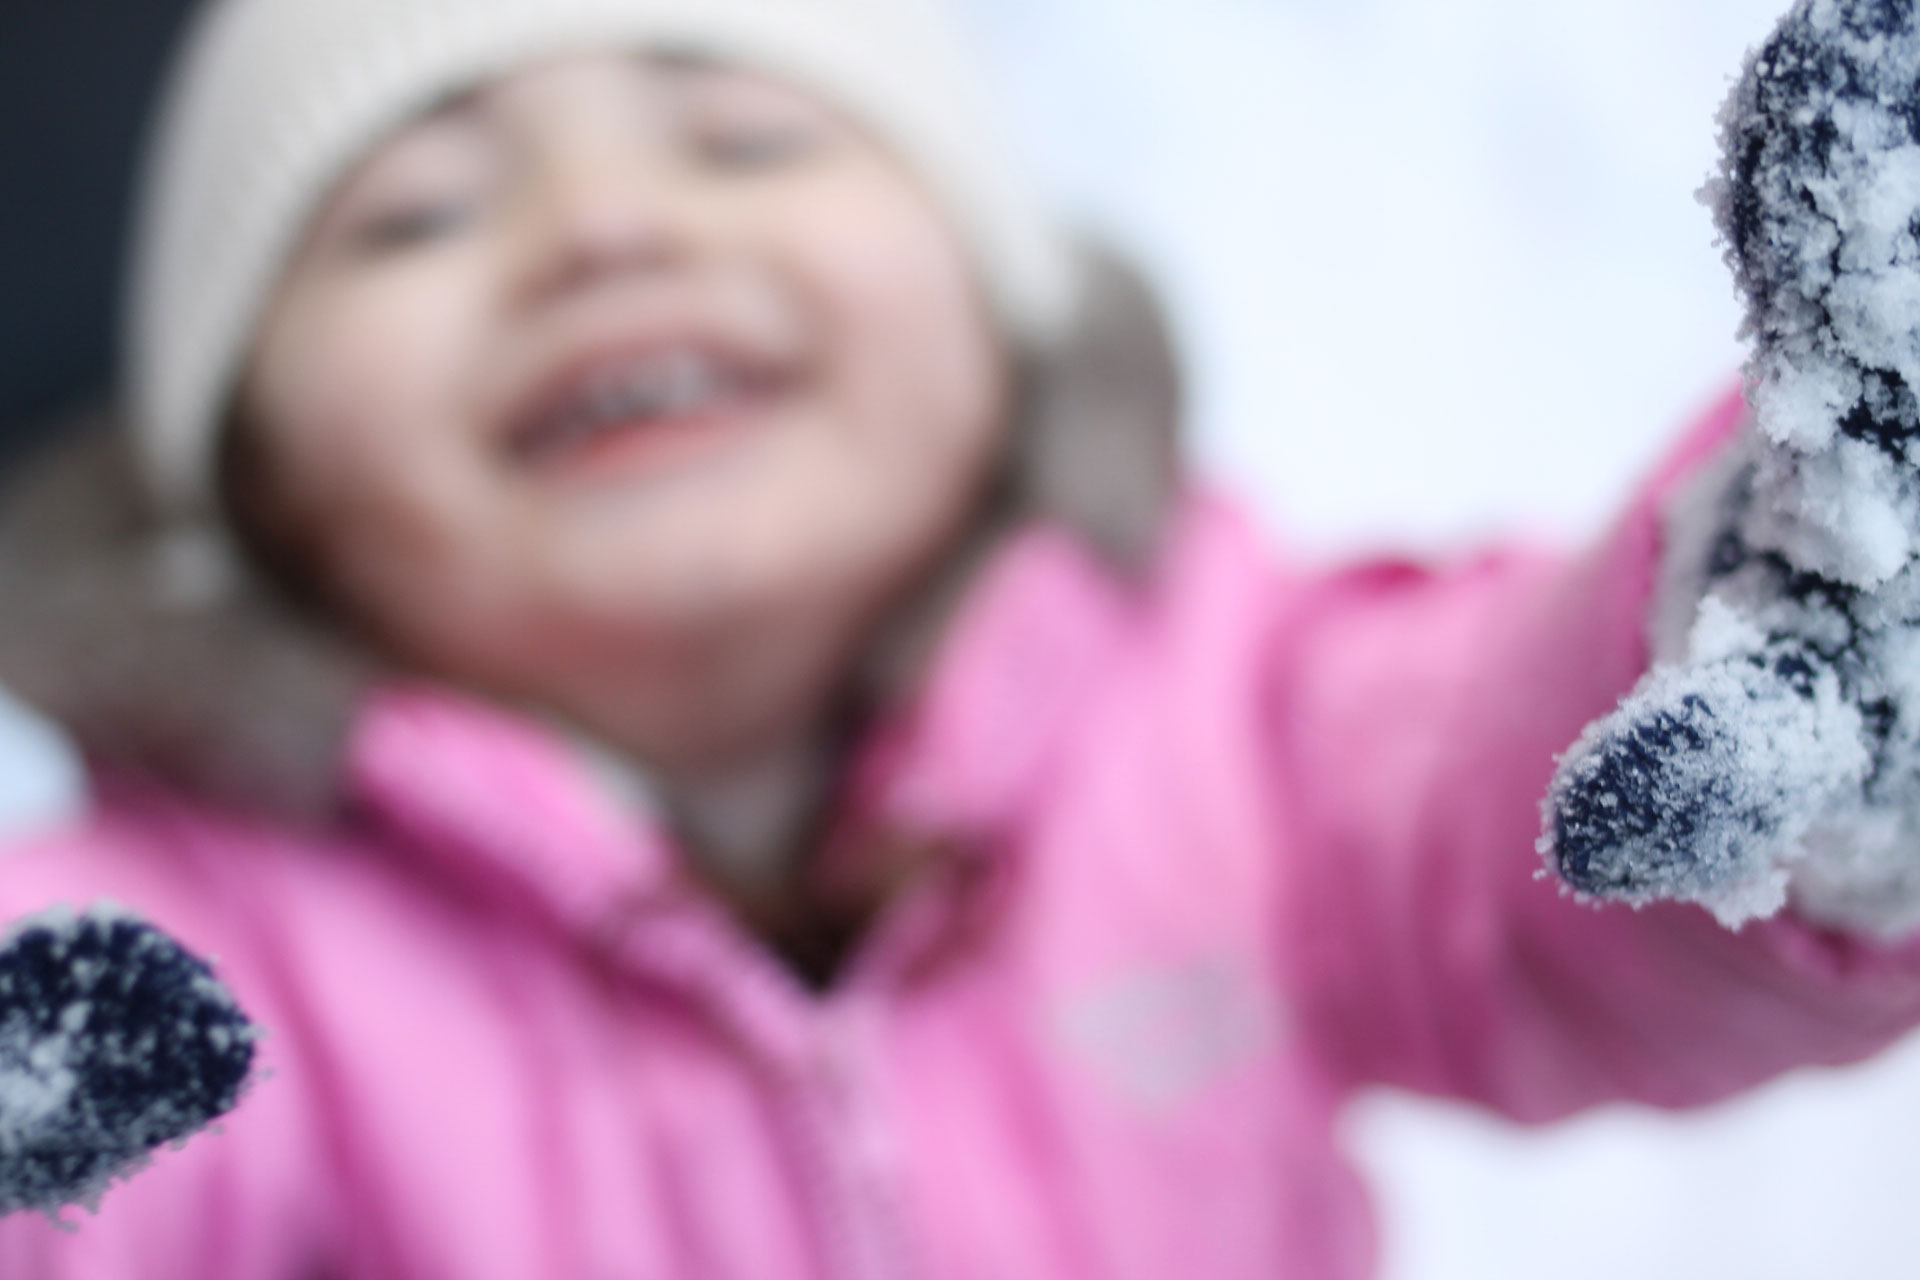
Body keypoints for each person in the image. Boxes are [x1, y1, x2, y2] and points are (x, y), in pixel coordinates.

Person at [1, 0, 1918, 1274]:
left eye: (743, 142)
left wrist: (1769, 650)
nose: (600, 229)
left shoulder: (1224, 724)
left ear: (1000, 338)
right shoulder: (210, 947)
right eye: (414, 217)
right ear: (255, 484)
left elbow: (1496, 822)